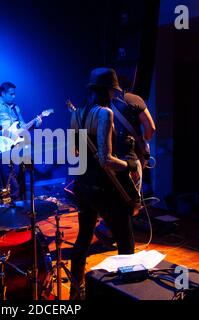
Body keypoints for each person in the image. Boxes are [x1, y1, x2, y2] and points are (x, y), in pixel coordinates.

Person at [69, 68, 139, 299]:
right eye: (113, 90)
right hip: (104, 188)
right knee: (126, 243)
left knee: (83, 238)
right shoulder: (104, 113)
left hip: (83, 187)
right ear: (107, 90)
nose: (114, 94)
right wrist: (130, 165)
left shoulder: (76, 113)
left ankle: (75, 290)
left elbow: (74, 153)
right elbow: (106, 159)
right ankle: (124, 294)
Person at [95, 68, 156, 244]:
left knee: (112, 196)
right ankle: (124, 238)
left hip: (109, 158)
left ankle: (111, 231)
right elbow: (151, 127)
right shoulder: (135, 100)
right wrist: (144, 141)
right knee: (131, 199)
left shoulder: (99, 104)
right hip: (130, 157)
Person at [0, 82, 41, 199]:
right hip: (2, 147)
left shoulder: (16, 108)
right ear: (2, 93)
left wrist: (36, 123)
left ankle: (21, 203)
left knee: (19, 176)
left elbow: (23, 127)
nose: (14, 96)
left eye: (14, 94)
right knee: (9, 179)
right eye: (11, 94)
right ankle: (11, 206)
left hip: (16, 146)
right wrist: (8, 134)